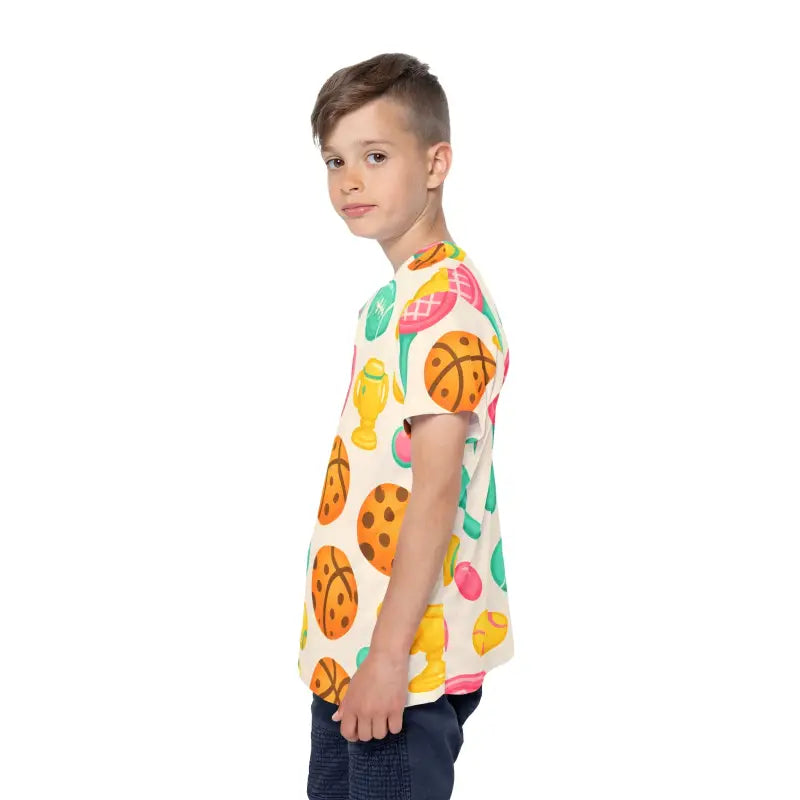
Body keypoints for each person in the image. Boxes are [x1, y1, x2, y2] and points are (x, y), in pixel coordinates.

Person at [298, 52, 514, 800]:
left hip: (403, 666)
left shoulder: (442, 307)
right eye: (335, 160)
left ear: (435, 163)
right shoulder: (397, 299)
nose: (349, 181)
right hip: (352, 649)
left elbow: (433, 494)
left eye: (375, 156)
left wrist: (388, 659)